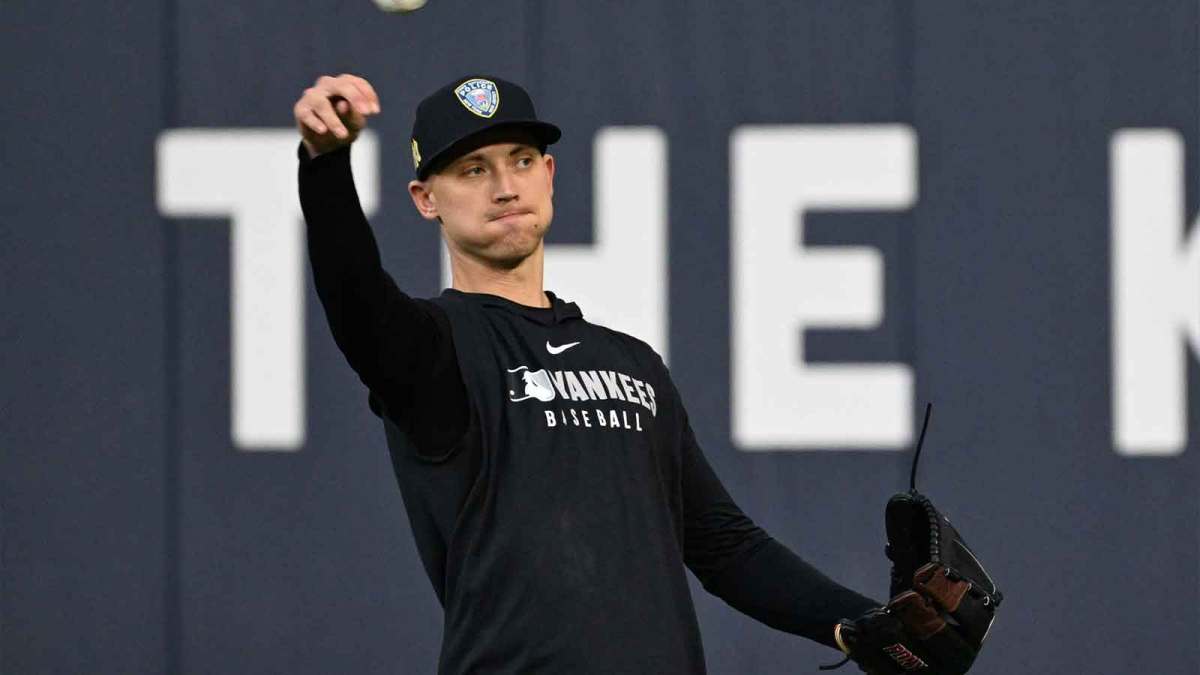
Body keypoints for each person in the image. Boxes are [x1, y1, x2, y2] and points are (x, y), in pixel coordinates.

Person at [294, 73, 878, 674]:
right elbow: (353, 292)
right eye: (473, 169)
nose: (504, 187)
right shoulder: (434, 353)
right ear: (426, 199)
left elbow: (725, 545)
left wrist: (865, 626)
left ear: (548, 176)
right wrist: (324, 162)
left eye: (521, 161)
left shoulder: (635, 365)